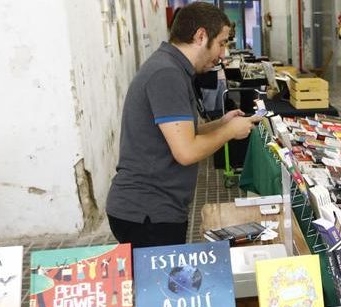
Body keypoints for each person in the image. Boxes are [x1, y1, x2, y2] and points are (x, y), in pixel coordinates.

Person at [106, 3, 262, 248]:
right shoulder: (166, 74)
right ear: (201, 36)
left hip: (155, 208)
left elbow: (184, 133)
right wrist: (230, 132)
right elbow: (186, 151)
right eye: (221, 43)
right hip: (148, 213)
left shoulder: (173, 67)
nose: (223, 54)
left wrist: (221, 124)